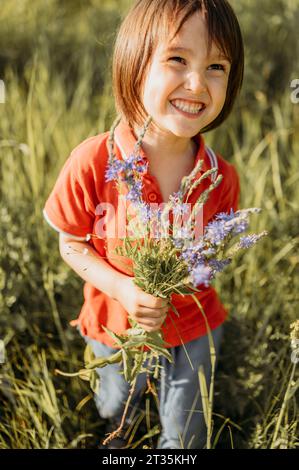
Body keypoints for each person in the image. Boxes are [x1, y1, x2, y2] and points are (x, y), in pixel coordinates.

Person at [43, 0, 244, 449]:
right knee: (114, 410)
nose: (197, 83)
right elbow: (71, 243)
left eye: (216, 66)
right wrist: (123, 289)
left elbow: (215, 254)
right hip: (115, 324)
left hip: (193, 327)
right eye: (177, 59)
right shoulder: (95, 161)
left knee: (185, 433)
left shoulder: (219, 176)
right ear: (134, 64)